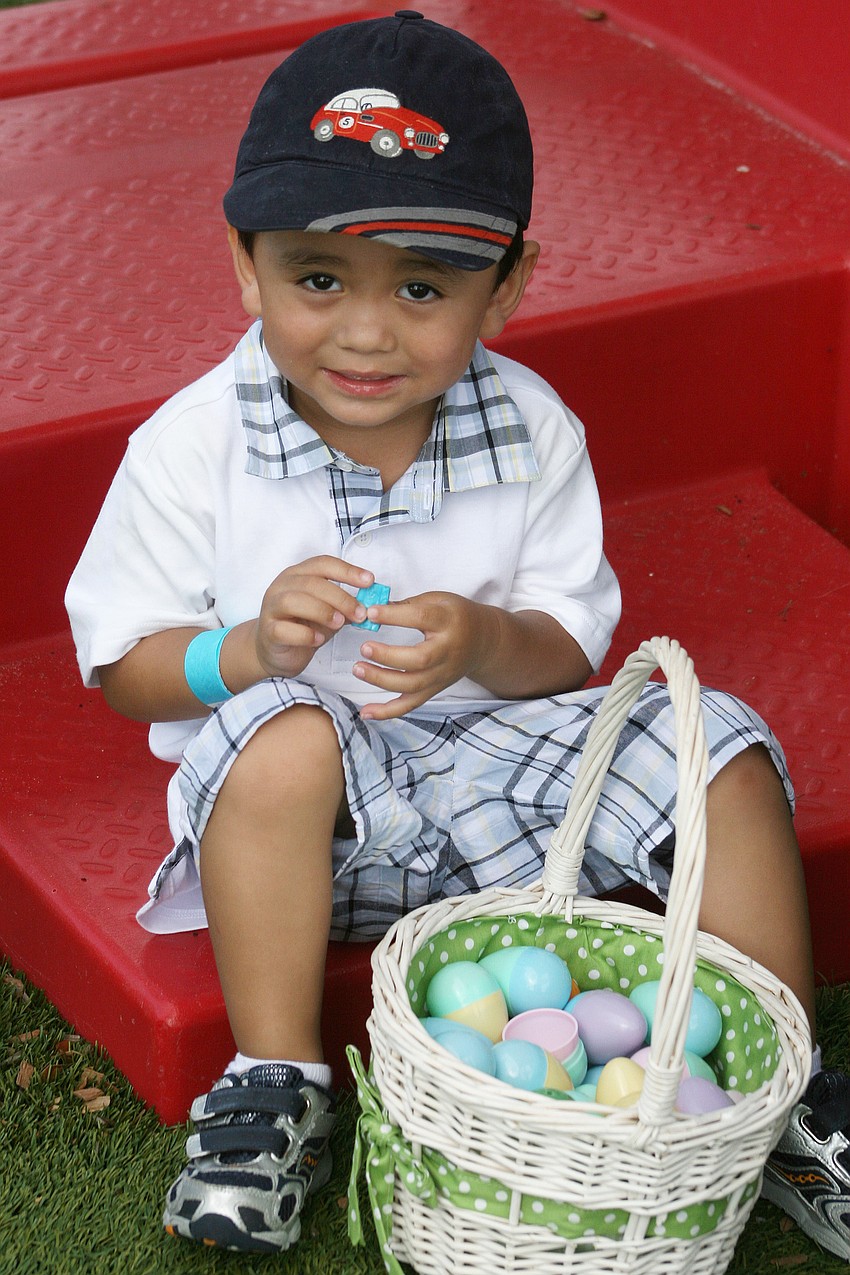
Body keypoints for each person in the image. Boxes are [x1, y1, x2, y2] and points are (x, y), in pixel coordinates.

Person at [65, 10, 849, 1262]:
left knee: (722, 743)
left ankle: (784, 1089)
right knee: (278, 734)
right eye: (318, 278)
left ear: (510, 287)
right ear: (245, 265)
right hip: (303, 833)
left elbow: (567, 652)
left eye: (423, 287)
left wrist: (485, 637)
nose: (368, 332)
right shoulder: (190, 445)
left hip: (505, 788)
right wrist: (251, 649)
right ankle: (277, 1083)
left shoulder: (533, 428)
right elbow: (122, 668)